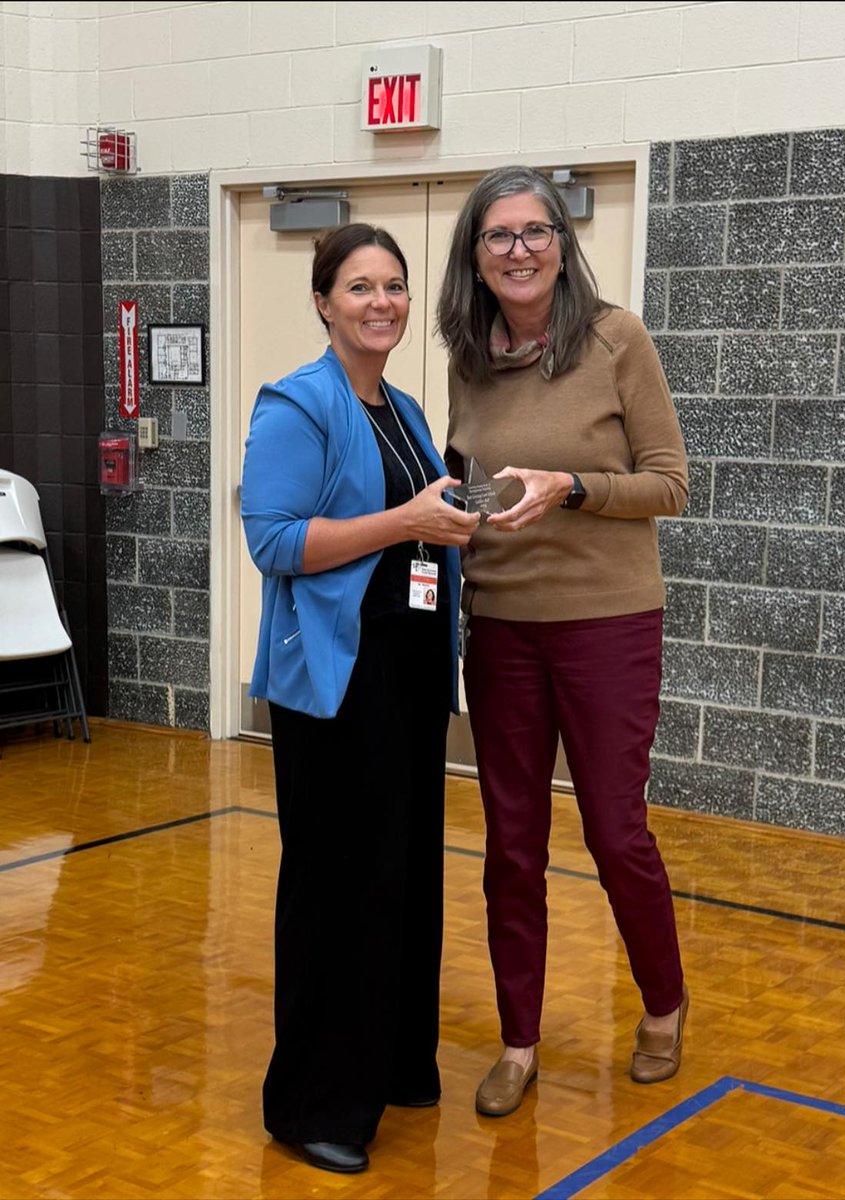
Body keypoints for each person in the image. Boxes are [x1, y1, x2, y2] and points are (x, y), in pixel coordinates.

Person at [436, 166, 690, 1118]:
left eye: (536, 230)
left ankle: (662, 1006)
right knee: (511, 847)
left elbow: (670, 484)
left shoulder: (617, 338)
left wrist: (572, 486)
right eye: (499, 236)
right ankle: (518, 1041)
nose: (520, 250)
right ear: (476, 254)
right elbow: (475, 480)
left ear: (561, 240)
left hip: (608, 625)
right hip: (500, 630)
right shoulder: (468, 355)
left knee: (615, 832)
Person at [241, 224, 479, 1173]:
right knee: (337, 887)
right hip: (334, 688)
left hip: (409, 677)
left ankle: (388, 1064)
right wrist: (409, 520)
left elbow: (417, 531)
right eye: (359, 287)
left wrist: (457, 515)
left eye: (394, 287)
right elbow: (278, 543)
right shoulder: (295, 405)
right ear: (323, 303)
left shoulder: (405, 408)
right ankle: (311, 1104)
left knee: (403, 875)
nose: (381, 303)